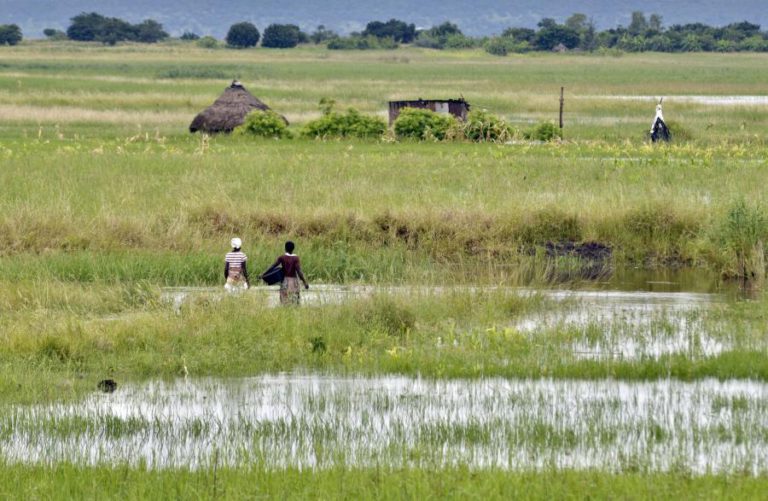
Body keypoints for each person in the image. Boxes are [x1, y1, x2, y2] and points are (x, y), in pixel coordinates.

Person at [263, 241, 309, 305]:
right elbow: (299, 271)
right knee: (295, 300)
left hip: (285, 281)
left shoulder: (282, 257)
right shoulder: (296, 258)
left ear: (285, 248)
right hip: (294, 281)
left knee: (284, 300)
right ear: (293, 248)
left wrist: (263, 274)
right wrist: (305, 282)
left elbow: (273, 266)